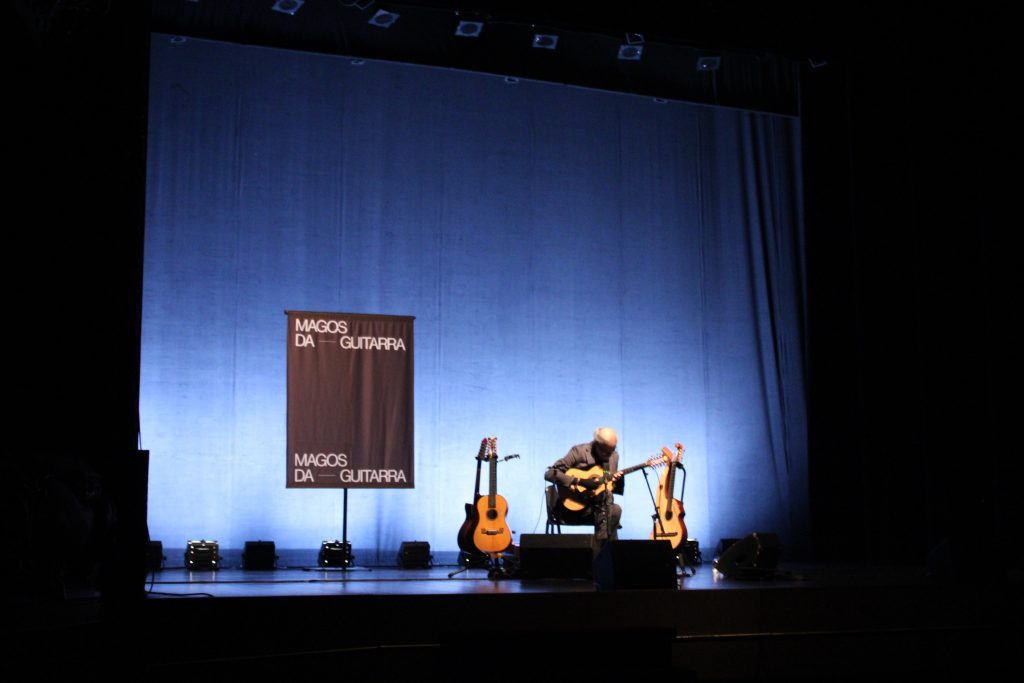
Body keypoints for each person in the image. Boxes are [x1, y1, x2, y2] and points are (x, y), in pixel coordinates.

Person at [545, 427, 623, 541]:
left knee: (614, 509)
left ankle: (604, 549)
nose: (609, 454)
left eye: (613, 449)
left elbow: (607, 484)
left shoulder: (613, 456)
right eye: (606, 451)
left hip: (598, 507)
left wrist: (615, 482)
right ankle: (604, 551)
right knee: (608, 514)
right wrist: (580, 481)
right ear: (597, 445)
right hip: (573, 509)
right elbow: (550, 473)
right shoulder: (579, 452)